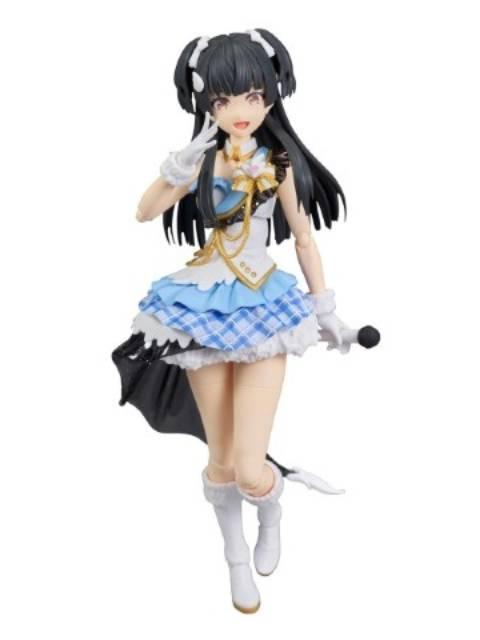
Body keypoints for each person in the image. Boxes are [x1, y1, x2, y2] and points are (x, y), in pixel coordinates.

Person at [112, 28, 358, 614]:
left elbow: (303, 237)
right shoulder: (202, 161)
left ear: (270, 95)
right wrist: (180, 166)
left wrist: (326, 310)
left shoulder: (277, 162)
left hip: (262, 307)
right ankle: (235, 559)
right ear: (206, 103)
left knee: (250, 468)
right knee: (221, 463)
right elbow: (144, 211)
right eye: (223, 100)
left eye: (252, 95)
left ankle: (271, 507)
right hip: (201, 304)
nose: (240, 111)